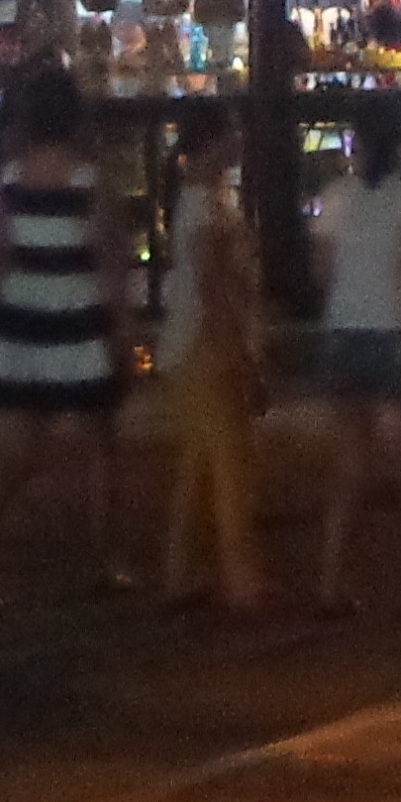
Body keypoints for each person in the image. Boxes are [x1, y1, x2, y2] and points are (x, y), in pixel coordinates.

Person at [0, 62, 130, 604]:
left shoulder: (9, 176)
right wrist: (123, 333)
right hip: (77, 322)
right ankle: (102, 560)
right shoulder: (90, 180)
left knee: (24, 450)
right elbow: (110, 264)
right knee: (101, 447)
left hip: (22, 321)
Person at [308, 93, 401, 612]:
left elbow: (322, 275)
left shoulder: (335, 196)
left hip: (344, 333)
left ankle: (331, 583)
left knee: (349, 465)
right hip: (400, 332)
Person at [151, 97, 270, 616]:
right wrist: (240, 350)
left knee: (200, 464)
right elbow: (214, 287)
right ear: (214, 140)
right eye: (233, 131)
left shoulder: (203, 198)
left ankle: (180, 575)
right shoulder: (207, 204)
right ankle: (240, 580)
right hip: (207, 345)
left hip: (190, 344)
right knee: (228, 465)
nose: (240, 140)